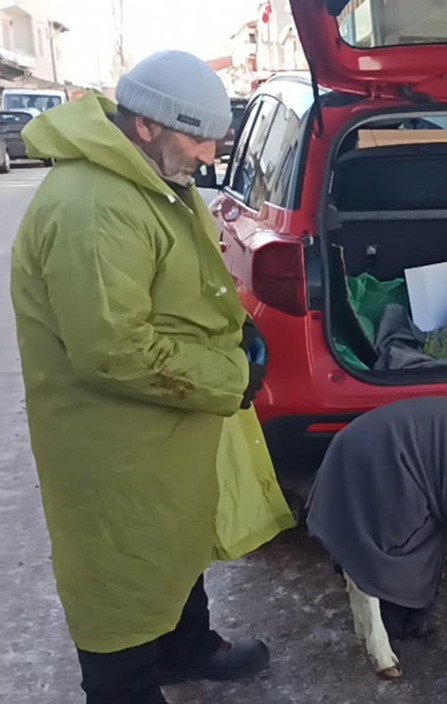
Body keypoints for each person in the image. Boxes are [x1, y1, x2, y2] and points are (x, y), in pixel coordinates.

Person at [10, 50, 291, 703]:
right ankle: (124, 688)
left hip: (158, 422)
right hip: (111, 440)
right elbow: (114, 348)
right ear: (146, 126)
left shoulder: (149, 177)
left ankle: (182, 646)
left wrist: (235, 330)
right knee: (119, 568)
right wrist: (228, 374)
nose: (207, 153)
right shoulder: (94, 206)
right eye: (197, 137)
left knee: (171, 538)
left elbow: (180, 281)